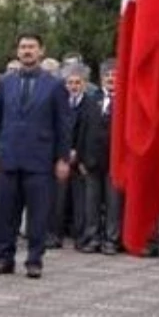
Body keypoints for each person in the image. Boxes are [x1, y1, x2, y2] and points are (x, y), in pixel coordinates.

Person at [0, 33, 70, 279]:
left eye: (32, 47)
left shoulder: (54, 85)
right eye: (23, 47)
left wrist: (63, 158)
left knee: (38, 213)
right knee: (5, 212)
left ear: (41, 51)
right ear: (17, 51)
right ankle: (4, 258)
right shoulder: (4, 82)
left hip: (40, 159)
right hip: (8, 157)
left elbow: (63, 124)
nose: (27, 51)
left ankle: (34, 260)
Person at [77, 59, 121, 255]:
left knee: (114, 203)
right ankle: (92, 237)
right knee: (91, 202)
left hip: (115, 161)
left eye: (115, 75)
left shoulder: (126, 100)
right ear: (101, 79)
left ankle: (111, 239)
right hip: (92, 159)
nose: (111, 79)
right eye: (107, 76)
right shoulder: (90, 99)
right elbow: (82, 130)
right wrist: (80, 158)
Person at [53, 63, 91, 249]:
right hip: (61, 157)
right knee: (58, 199)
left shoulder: (90, 104)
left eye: (77, 82)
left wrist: (78, 152)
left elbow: (90, 132)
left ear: (84, 84)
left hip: (80, 160)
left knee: (80, 201)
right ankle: (55, 235)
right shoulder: (59, 103)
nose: (73, 86)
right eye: (70, 82)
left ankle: (80, 237)